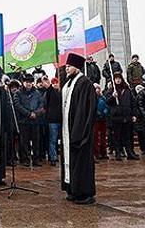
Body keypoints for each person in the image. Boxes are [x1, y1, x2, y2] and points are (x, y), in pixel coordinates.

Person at [60, 53, 97, 205]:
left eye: (69, 66)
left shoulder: (84, 83)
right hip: (68, 131)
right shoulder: (68, 84)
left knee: (82, 163)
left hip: (80, 132)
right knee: (71, 162)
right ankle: (73, 189)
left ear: (77, 67)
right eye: (66, 66)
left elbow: (85, 110)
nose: (67, 69)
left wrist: (79, 131)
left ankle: (85, 193)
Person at [106, 71, 139, 161]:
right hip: (116, 117)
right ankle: (118, 153)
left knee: (127, 136)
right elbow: (108, 102)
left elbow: (133, 102)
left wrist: (134, 114)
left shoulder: (127, 89)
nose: (118, 80)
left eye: (119, 78)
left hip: (127, 116)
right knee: (117, 136)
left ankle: (130, 153)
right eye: (116, 79)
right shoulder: (111, 90)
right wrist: (113, 96)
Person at [14, 73, 44, 167]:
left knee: (36, 141)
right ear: (23, 82)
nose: (29, 84)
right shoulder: (18, 93)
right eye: (27, 82)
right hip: (24, 121)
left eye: (30, 82)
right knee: (24, 141)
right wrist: (28, 114)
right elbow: (17, 105)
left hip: (35, 120)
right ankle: (26, 159)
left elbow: (41, 105)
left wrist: (36, 113)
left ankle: (36, 159)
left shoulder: (37, 93)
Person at [45, 76, 62, 166]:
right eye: (54, 83)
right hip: (52, 120)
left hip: (60, 119)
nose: (55, 84)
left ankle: (56, 156)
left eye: (57, 83)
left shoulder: (61, 92)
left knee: (56, 140)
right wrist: (49, 85)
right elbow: (48, 91)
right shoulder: (50, 92)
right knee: (53, 139)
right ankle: (53, 157)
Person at [93, 84, 108, 160]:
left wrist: (105, 111)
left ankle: (103, 152)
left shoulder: (103, 97)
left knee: (103, 136)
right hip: (96, 119)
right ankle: (96, 153)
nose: (97, 90)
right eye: (96, 88)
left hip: (103, 119)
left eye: (98, 88)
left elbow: (106, 106)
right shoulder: (92, 98)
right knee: (96, 137)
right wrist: (97, 112)